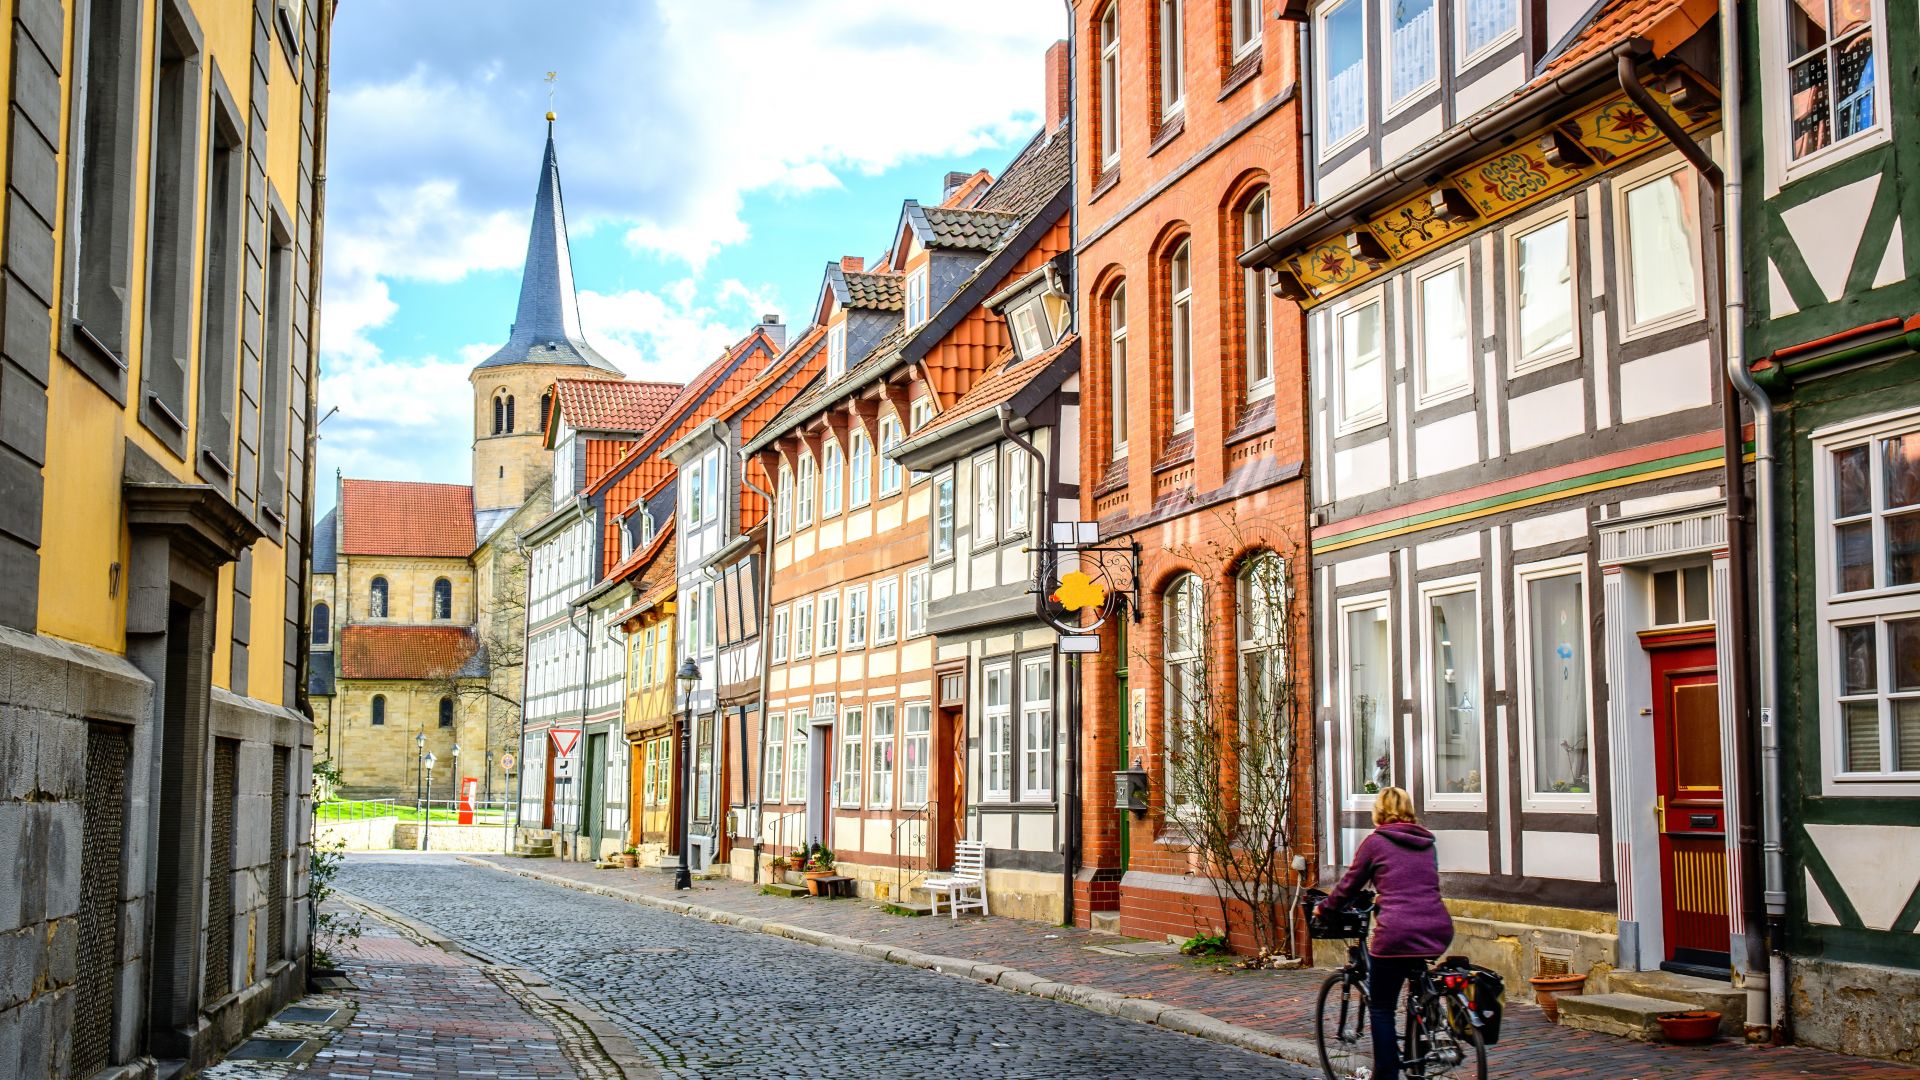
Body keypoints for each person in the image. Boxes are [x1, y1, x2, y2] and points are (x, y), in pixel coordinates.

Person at [1316, 786, 1453, 1080]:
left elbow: (1349, 885)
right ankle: (1421, 1042)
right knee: (1414, 981)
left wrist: (1325, 908)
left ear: (1379, 811)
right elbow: (1420, 881)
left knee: (1381, 1007)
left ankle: (1387, 1075)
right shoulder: (1427, 841)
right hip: (1437, 927)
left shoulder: (1375, 842)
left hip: (1397, 932)